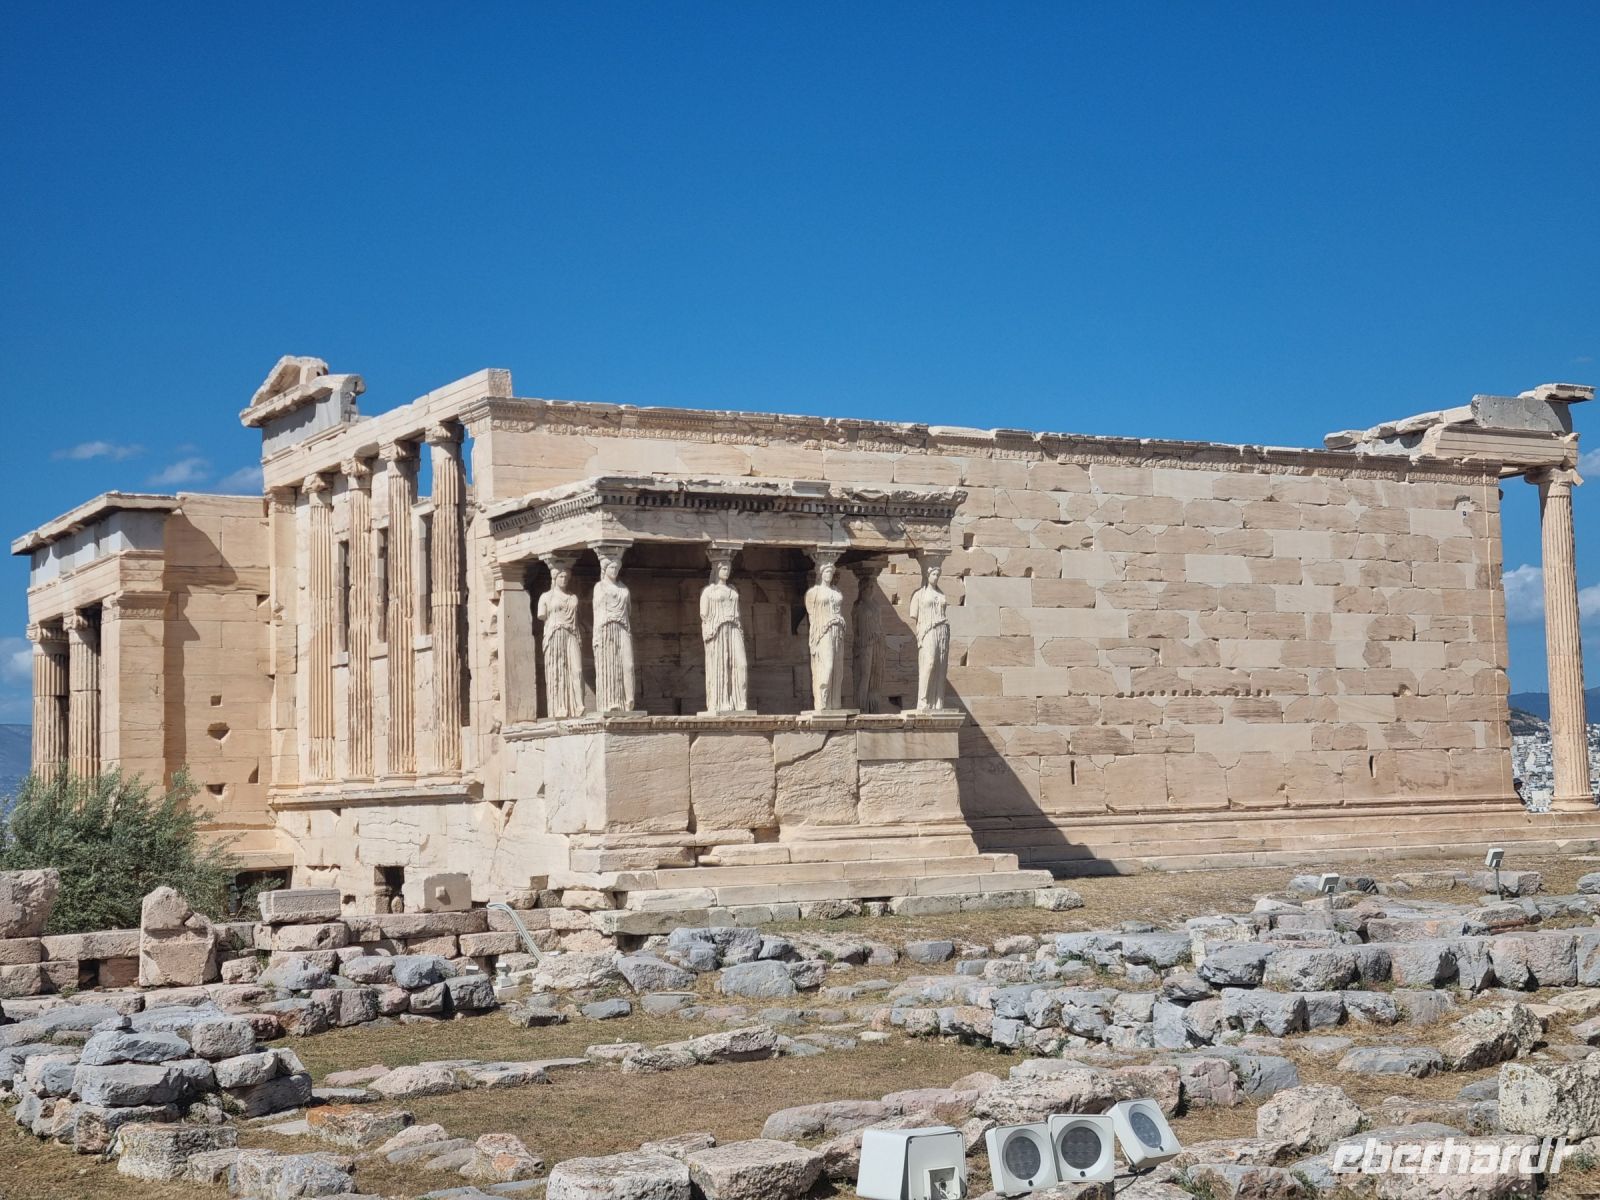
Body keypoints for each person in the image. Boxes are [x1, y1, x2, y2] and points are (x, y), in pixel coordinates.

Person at [700, 556, 749, 713]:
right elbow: (704, 614)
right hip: (718, 629)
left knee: (741, 665)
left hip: (734, 628)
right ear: (716, 570)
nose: (727, 571)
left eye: (728, 568)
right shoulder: (708, 591)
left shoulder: (733, 590)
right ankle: (720, 703)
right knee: (720, 665)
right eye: (723, 568)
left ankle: (739, 703)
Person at [537, 564, 584, 718]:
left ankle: (578, 705)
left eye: (566, 577)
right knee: (558, 670)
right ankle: (560, 707)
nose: (564, 579)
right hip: (555, 634)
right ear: (554, 578)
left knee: (577, 670)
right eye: (561, 577)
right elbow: (542, 615)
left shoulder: (573, 597)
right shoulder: (546, 597)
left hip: (572, 634)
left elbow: (578, 620)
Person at [911, 562, 951, 711]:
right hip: (928, 630)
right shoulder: (919, 595)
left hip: (942, 630)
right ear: (927, 575)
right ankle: (923, 700)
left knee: (941, 666)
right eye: (934, 574)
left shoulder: (941, 594)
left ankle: (937, 702)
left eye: (938, 575)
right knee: (929, 663)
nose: (936, 577)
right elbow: (914, 614)